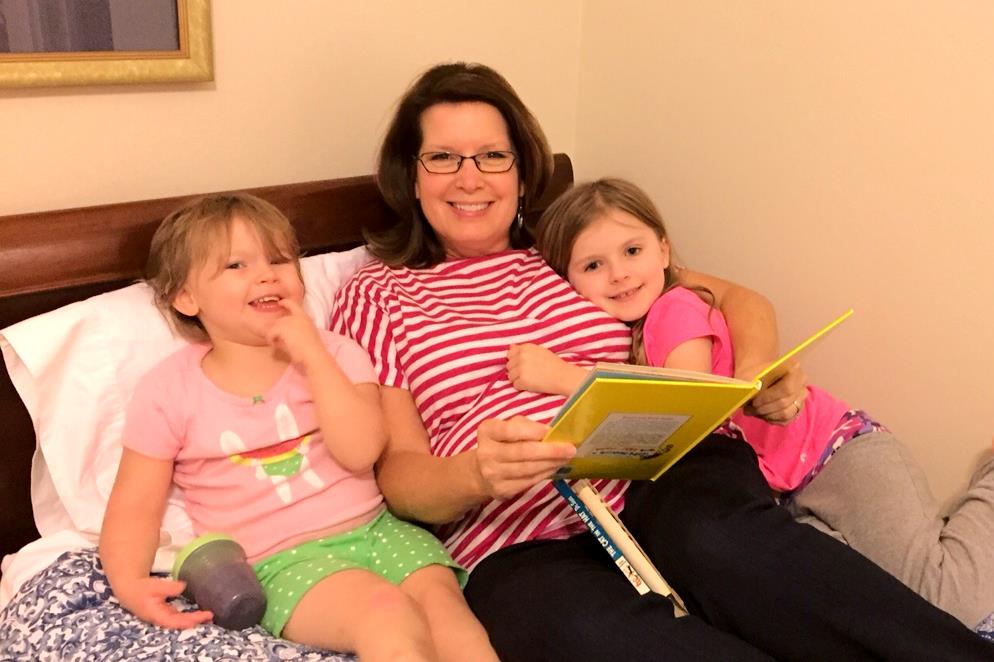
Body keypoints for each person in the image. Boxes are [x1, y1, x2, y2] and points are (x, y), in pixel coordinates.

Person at [331, 61, 994, 660]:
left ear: (522, 172)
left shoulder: (571, 249)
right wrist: (478, 472)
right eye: (443, 157)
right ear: (410, 176)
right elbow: (403, 478)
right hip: (516, 539)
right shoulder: (379, 293)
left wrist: (754, 374)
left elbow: (738, 299)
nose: (469, 177)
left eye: (492, 156)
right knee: (593, 633)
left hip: (662, 472)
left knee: (725, 548)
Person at [523, 176, 994, 629]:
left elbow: (682, 400)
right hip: (786, 491)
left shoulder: (675, 307)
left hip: (837, 453)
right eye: (593, 265)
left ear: (664, 250)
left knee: (943, 599)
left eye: (632, 251)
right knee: (863, 599)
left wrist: (562, 378)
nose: (619, 273)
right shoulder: (635, 331)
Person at [99, 193, 498, 662]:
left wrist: (313, 357)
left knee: (449, 616)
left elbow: (361, 451)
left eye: (279, 259)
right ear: (185, 296)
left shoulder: (339, 354)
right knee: (386, 613)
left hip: (380, 530)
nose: (266, 274)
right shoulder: (168, 391)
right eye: (236, 266)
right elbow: (135, 505)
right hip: (282, 560)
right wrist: (128, 582)